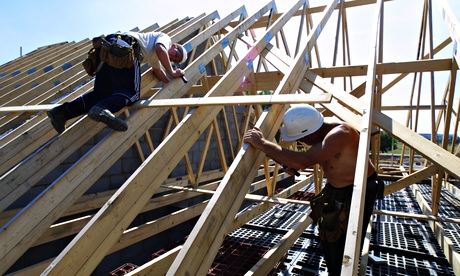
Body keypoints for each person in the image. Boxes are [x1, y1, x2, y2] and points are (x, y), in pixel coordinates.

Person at [243, 104, 383, 276]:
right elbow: (314, 157)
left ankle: (343, 271)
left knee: (346, 242)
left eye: (302, 139)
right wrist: (288, 162)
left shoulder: (340, 134)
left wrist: (262, 143)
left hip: (357, 190)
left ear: (311, 132)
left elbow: (303, 161)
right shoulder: (321, 130)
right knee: (329, 234)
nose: (301, 143)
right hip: (337, 188)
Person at [47, 31, 187, 134]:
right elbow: (160, 49)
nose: (173, 57)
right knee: (132, 93)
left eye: (175, 60)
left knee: (101, 94)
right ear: (174, 45)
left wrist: (172, 80)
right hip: (126, 49)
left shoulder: (155, 56)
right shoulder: (165, 39)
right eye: (176, 54)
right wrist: (173, 71)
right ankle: (101, 109)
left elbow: (158, 71)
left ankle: (60, 113)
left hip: (109, 48)